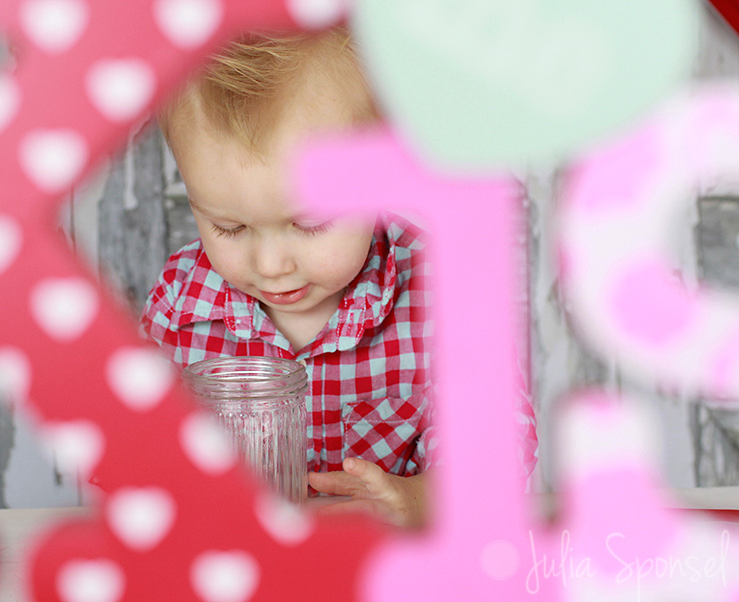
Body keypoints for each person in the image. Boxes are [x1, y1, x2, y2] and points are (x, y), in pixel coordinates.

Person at [141, 28, 536, 528]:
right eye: (229, 227)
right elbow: (126, 449)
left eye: (310, 223)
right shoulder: (182, 305)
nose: (270, 265)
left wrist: (416, 500)